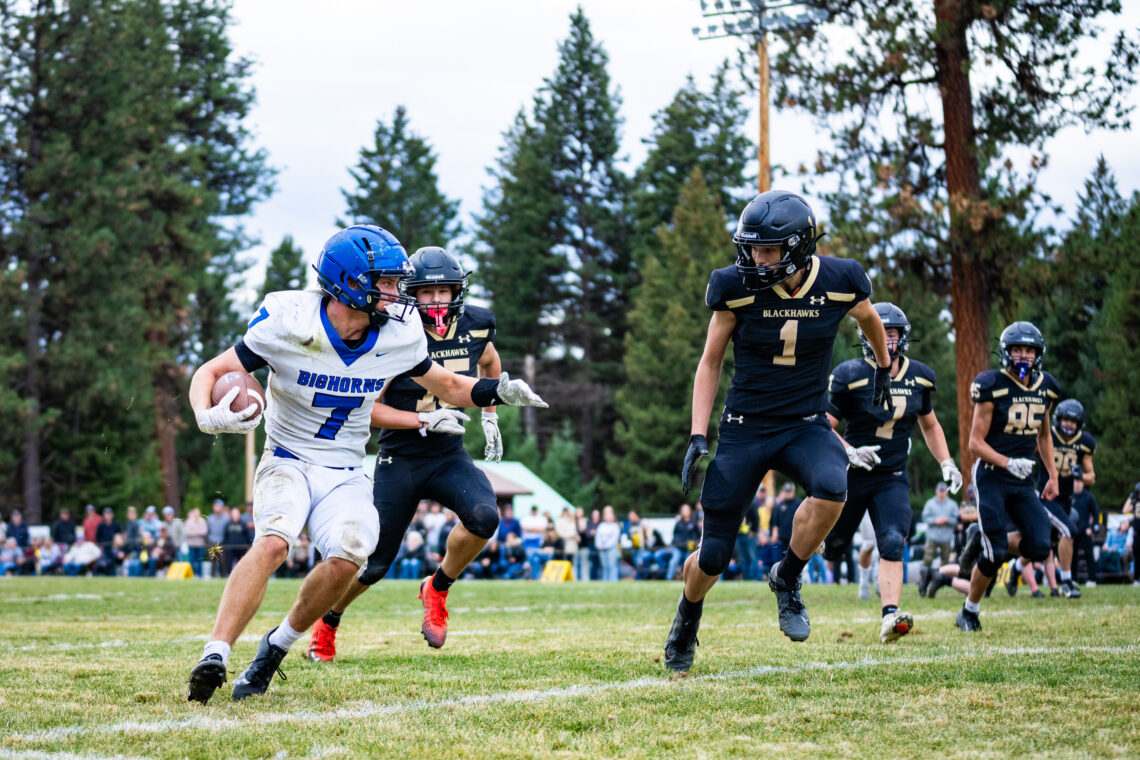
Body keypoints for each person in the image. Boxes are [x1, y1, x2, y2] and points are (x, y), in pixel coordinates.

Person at [184, 226, 547, 704]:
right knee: (274, 542)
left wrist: (496, 392)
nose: (399, 295)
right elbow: (209, 371)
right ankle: (215, 652)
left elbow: (453, 387)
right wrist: (204, 416)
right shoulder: (290, 321)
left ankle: (276, 647)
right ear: (351, 283)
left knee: (350, 557)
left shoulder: (397, 334)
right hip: (288, 457)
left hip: (346, 468)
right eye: (388, 283)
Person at [666, 190, 891, 672]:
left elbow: (870, 319)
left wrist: (885, 369)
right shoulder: (733, 286)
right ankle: (688, 614)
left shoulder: (840, 278)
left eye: (767, 250)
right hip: (746, 425)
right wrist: (697, 434)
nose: (755, 258)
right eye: (751, 248)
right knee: (714, 557)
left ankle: (787, 577)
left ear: (798, 246)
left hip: (805, 422)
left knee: (833, 489)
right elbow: (710, 363)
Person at [306, 245, 523, 663]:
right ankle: (328, 620)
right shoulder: (392, 331)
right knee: (372, 563)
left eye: (444, 291)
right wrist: (422, 421)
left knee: (484, 518)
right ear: (411, 293)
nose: (436, 300)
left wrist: (490, 414)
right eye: (427, 292)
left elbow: (490, 363)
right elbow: (368, 409)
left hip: (447, 452)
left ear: (457, 291)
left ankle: (437, 587)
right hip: (400, 455)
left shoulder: (478, 323)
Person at [825, 302, 961, 642]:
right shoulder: (849, 374)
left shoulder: (919, 377)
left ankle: (890, 615)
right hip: (852, 472)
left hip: (891, 475)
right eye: (879, 332)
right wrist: (850, 451)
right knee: (833, 546)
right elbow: (822, 426)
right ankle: (792, 570)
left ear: (902, 337)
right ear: (864, 335)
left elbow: (930, 425)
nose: (886, 339)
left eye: (892, 333)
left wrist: (946, 462)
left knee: (891, 539)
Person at [955, 321, 1060, 633]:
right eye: (1018, 349)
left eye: (1029, 350)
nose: (1024, 356)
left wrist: (1053, 475)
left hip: (1021, 480)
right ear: (1006, 352)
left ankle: (982, 536)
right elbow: (975, 442)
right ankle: (969, 612)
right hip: (991, 476)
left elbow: (1044, 435)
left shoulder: (1047, 387)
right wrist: (1007, 461)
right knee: (995, 552)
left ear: (1037, 354)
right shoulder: (992, 385)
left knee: (1042, 545)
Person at [1027, 398, 1097, 597]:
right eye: (1066, 420)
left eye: (1074, 422)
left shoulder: (1084, 442)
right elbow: (1025, 451)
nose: (1069, 424)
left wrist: (1080, 475)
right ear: (1059, 419)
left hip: (1066, 499)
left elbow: (1091, 477)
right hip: (1046, 495)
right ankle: (1066, 581)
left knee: (1044, 544)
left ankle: (1016, 569)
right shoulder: (1047, 434)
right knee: (1069, 530)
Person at [919, 482, 960, 597]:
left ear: (946, 491)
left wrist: (946, 520)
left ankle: (939, 584)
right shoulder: (930, 503)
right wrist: (935, 521)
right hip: (932, 537)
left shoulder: (952, 504)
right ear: (936, 491)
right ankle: (923, 582)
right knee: (927, 560)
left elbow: (957, 519)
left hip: (946, 538)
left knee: (945, 564)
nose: (942, 493)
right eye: (940, 490)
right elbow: (925, 517)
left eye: (944, 490)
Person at [1069, 478, 1100, 584]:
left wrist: (1091, 528)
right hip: (1073, 530)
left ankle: (1092, 579)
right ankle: (1073, 579)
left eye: (1079, 481)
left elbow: (1095, 513)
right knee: (1072, 555)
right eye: (1075, 481)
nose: (1077, 484)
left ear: (1083, 483)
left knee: (1089, 554)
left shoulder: (1088, 496)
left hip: (1085, 530)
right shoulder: (1069, 495)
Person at [595, 506, 621, 581]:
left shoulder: (615, 526)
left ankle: (613, 581)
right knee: (604, 566)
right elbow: (598, 537)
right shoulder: (601, 525)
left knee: (612, 566)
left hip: (611, 549)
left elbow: (614, 539)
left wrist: (606, 546)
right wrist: (599, 545)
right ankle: (605, 581)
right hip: (602, 549)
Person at [184, 508, 208, 577]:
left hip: (200, 545)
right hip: (191, 545)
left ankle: (200, 574)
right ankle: (192, 574)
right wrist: (198, 533)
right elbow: (188, 532)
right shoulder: (189, 521)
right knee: (192, 561)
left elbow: (204, 532)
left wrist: (194, 532)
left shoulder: (202, 521)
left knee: (200, 561)